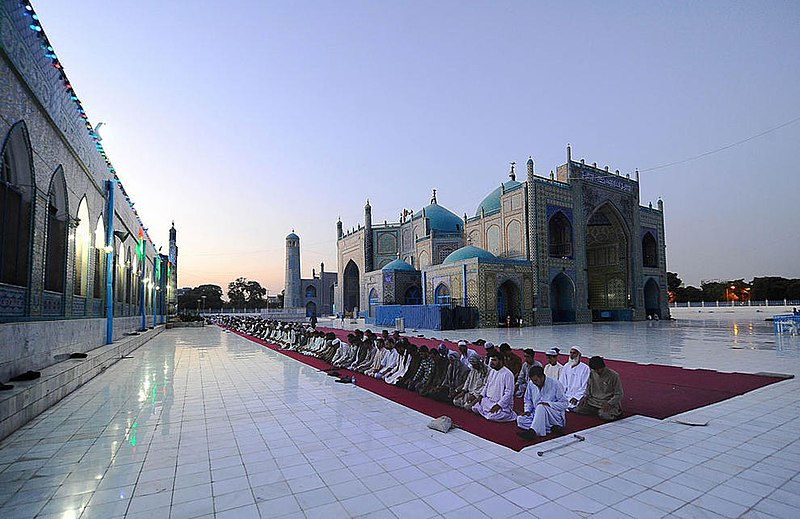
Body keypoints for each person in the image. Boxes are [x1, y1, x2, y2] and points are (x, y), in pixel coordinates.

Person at [516, 365, 568, 440]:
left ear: (542, 376)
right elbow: (527, 399)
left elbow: (565, 404)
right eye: (533, 380)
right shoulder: (531, 383)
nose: (534, 383)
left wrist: (548, 404)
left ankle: (533, 432)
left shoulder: (555, 384)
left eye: (536, 380)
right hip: (536, 414)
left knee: (540, 407)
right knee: (520, 420)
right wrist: (527, 411)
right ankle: (551, 428)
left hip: (553, 415)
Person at [574, 356, 623, 420]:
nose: (597, 371)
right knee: (578, 409)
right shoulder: (592, 373)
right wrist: (585, 397)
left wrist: (609, 403)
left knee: (605, 415)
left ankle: (615, 413)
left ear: (603, 366)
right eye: (595, 369)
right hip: (593, 401)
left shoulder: (614, 375)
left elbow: (619, 394)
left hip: (607, 402)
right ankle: (598, 411)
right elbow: (588, 387)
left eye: (599, 369)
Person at [471, 353, 517, 422]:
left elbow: (509, 393)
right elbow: (487, 385)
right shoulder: (492, 371)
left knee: (491, 416)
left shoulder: (508, 374)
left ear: (501, 361)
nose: (492, 362)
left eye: (494, 360)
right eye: (491, 360)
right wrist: (481, 396)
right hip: (489, 401)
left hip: (502, 405)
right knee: (474, 407)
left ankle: (510, 414)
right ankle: (488, 412)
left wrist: (499, 405)